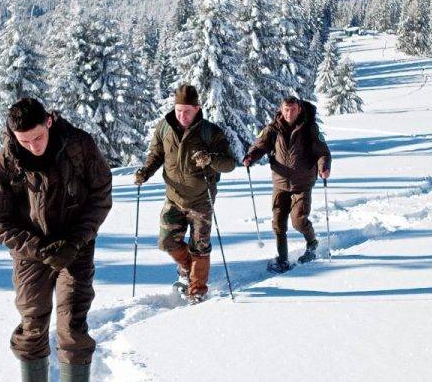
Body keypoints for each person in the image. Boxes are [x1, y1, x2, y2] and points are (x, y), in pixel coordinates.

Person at [0, 97, 113, 382]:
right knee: (32, 322)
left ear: (49, 123)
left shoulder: (79, 146)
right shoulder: (6, 163)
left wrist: (75, 241)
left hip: (76, 246)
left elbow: (101, 194)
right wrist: (37, 248)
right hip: (31, 252)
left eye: (37, 138)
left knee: (71, 323)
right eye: (24, 140)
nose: (32, 146)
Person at [133, 84, 239, 302]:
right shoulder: (164, 127)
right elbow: (156, 154)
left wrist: (210, 158)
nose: (182, 115)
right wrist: (146, 171)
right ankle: (186, 268)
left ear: (197, 108)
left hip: (201, 199)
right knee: (166, 241)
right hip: (174, 197)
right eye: (179, 110)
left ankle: (197, 290)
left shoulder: (210, 132)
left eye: (187, 111)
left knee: (199, 246)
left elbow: (229, 164)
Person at [242, 95, 331, 272]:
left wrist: (324, 167)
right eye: (286, 109)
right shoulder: (272, 129)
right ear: (281, 109)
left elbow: (322, 152)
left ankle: (312, 243)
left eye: (292, 110)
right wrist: (251, 156)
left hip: (302, 183)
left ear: (299, 109)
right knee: (278, 223)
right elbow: (261, 146)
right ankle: (282, 259)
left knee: (298, 220)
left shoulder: (309, 128)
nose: (289, 113)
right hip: (280, 183)